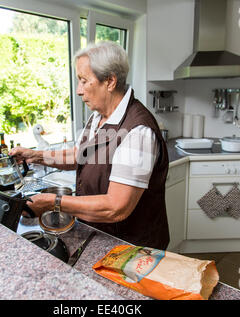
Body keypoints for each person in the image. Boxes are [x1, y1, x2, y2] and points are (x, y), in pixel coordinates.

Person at [10, 41, 170, 250]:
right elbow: (81, 155)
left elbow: (116, 207)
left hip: (132, 249)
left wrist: (52, 202)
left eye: (84, 81)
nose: (78, 90)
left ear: (110, 81)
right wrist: (36, 156)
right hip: (102, 237)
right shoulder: (98, 117)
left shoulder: (138, 132)